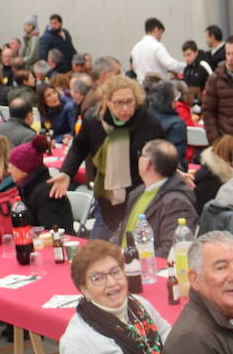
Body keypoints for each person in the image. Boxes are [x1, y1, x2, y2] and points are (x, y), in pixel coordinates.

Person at [58, 241, 171, 354]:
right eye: (97, 278)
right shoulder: (79, 338)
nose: (111, 282)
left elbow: (173, 342)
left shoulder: (140, 307)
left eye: (114, 272)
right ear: (84, 289)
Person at [51, 76, 166, 237]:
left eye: (130, 101)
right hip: (106, 195)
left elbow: (163, 150)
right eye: (120, 103)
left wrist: (174, 168)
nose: (126, 108)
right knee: (98, 248)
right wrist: (66, 172)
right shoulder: (94, 119)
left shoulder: (147, 121)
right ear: (108, 102)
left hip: (138, 193)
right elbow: (79, 146)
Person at [119, 139, 199, 255]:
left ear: (148, 164)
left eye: (141, 155)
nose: (138, 159)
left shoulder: (176, 203)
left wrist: (131, 259)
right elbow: (122, 231)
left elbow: (171, 251)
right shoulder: (138, 192)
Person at [6, 134, 74, 232]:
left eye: (12, 166)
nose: (8, 170)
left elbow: (51, 231)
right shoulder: (25, 187)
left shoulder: (48, 193)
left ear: (25, 169)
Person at [143, 81, 187, 167]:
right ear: (172, 102)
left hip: (146, 165)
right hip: (167, 169)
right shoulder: (176, 124)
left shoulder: (145, 117)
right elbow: (177, 156)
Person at [130, 18, 185, 83]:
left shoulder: (136, 48)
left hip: (142, 86)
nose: (161, 36)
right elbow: (170, 64)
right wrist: (186, 67)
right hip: (157, 86)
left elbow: (135, 68)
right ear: (156, 29)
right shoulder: (157, 46)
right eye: (161, 32)